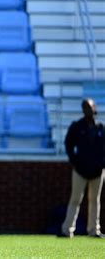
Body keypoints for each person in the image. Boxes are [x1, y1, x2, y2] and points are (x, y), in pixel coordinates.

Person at [59, 98, 104, 238]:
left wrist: (102, 164)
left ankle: (93, 230)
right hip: (80, 170)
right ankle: (67, 230)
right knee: (75, 199)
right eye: (84, 108)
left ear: (94, 108)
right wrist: (75, 160)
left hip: (97, 171)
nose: (87, 110)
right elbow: (68, 144)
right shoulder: (77, 126)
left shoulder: (100, 127)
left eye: (89, 107)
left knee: (95, 200)